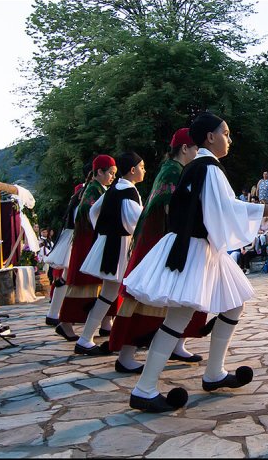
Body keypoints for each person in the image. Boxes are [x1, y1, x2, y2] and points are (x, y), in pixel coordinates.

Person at [122, 112, 268, 413]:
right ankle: (144, 389)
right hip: (194, 248)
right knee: (177, 318)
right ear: (210, 137)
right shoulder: (209, 168)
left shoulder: (198, 166)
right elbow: (225, 209)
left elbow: (216, 211)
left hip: (198, 246)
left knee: (233, 302)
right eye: (225, 133)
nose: (229, 138)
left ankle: (214, 373)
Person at [109, 129, 207, 371]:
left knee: (182, 296)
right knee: (144, 299)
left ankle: (176, 344)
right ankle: (126, 356)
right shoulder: (172, 172)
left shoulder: (178, 171)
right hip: (157, 243)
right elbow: (167, 208)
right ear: (185, 148)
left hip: (169, 241)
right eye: (195, 148)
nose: (197, 153)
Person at [74, 152, 145, 356]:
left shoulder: (113, 189)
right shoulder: (129, 191)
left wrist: (103, 230)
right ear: (132, 170)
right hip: (120, 245)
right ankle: (117, 338)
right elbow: (137, 220)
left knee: (109, 294)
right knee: (121, 292)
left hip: (109, 243)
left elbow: (93, 211)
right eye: (142, 167)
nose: (144, 171)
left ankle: (87, 338)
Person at [56, 155, 117, 341]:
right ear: (99, 172)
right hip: (87, 244)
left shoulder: (98, 190)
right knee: (83, 286)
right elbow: (90, 218)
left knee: (104, 285)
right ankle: (65, 323)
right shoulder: (92, 191)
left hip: (93, 242)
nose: (113, 177)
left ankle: (107, 323)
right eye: (111, 173)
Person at [44, 177, 88, 331]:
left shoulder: (79, 191)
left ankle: (54, 313)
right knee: (68, 277)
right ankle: (57, 314)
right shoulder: (85, 190)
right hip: (75, 237)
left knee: (65, 277)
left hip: (70, 235)